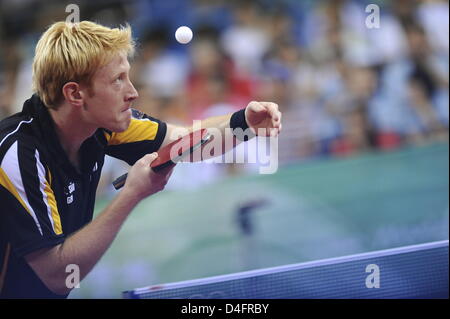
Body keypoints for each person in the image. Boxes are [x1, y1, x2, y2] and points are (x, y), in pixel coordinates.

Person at [0, 21, 282, 298]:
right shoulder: (17, 155)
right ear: (75, 94)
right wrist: (131, 195)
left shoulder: (102, 127)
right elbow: (57, 275)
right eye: (117, 80)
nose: (133, 93)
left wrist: (244, 123)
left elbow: (187, 143)